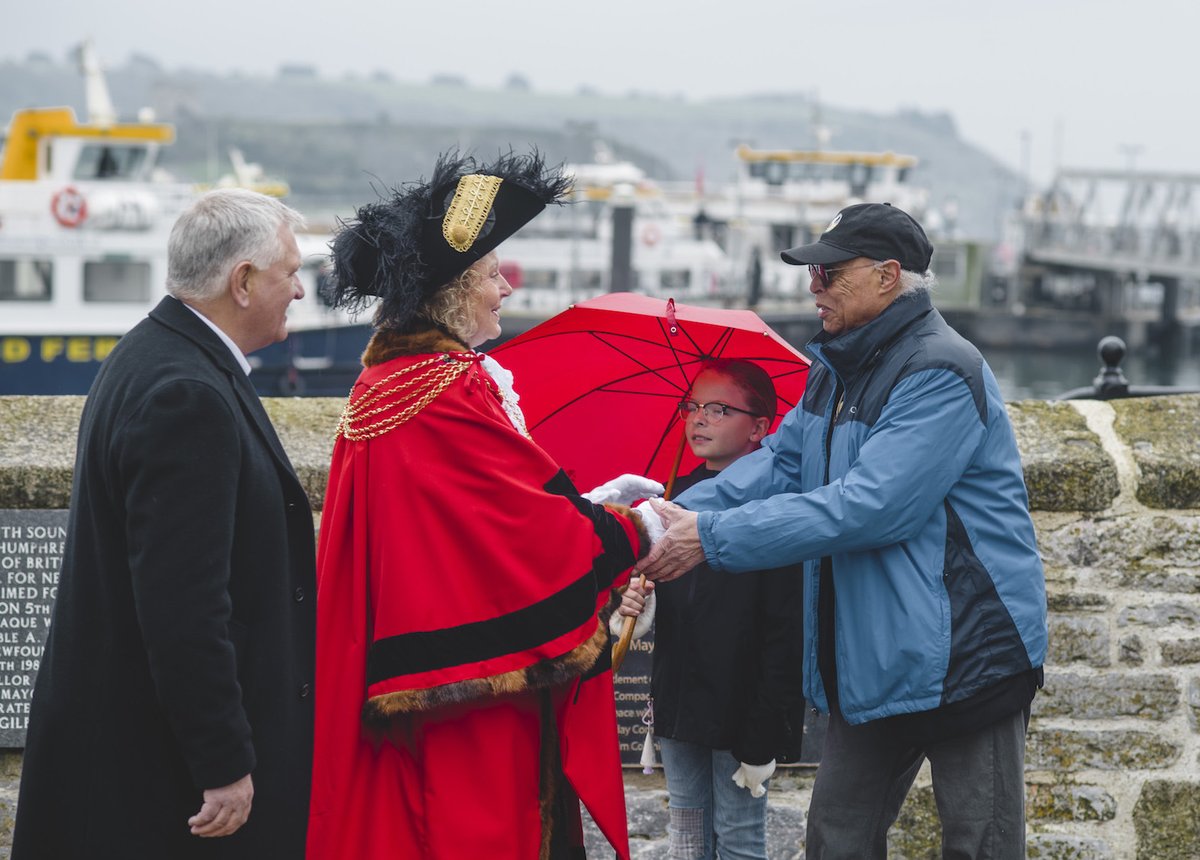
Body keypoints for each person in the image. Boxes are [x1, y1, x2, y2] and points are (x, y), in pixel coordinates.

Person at [635, 202, 1048, 859]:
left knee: (981, 844)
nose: (812, 285)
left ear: (887, 277)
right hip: (873, 661)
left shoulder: (940, 369)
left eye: (829, 273)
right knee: (837, 841)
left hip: (971, 654)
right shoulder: (834, 369)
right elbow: (780, 463)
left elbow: (870, 506)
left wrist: (711, 537)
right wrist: (664, 515)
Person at [306, 151, 663, 860]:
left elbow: (484, 520)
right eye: (492, 274)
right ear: (456, 291)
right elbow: (523, 532)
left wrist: (586, 505)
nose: (504, 288)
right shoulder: (448, 386)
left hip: (414, 679)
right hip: (469, 701)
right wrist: (635, 529)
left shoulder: (388, 378)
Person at [14, 188, 318, 858]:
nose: (299, 291)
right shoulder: (187, 395)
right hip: (163, 783)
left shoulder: (153, 355)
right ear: (242, 282)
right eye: (290, 273)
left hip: (133, 757)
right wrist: (223, 764)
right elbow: (184, 605)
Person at [618, 358, 805, 860]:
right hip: (681, 697)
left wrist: (765, 724)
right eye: (692, 406)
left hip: (742, 705)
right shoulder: (673, 497)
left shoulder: (776, 502)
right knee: (686, 829)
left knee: (738, 833)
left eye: (719, 409)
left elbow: (786, 623)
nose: (698, 418)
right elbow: (673, 595)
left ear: (761, 428)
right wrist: (637, 598)